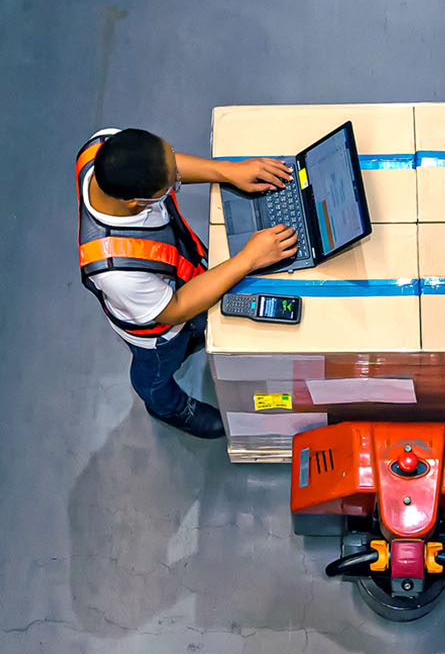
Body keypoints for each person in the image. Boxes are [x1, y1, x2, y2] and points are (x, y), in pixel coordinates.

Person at [76, 127, 298, 437]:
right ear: (134, 203)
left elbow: (168, 165)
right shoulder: (117, 269)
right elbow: (174, 309)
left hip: (179, 276)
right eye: (169, 186)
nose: (175, 181)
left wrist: (227, 171)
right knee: (155, 372)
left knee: (196, 330)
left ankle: (193, 340)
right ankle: (168, 408)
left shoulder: (102, 148)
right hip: (159, 330)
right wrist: (250, 259)